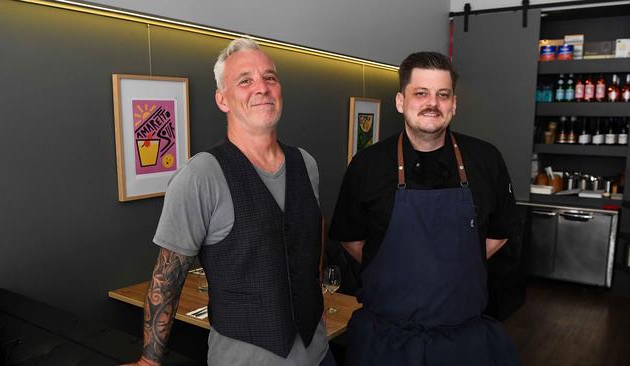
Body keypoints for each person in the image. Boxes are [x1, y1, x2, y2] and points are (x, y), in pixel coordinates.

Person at [126, 37, 336, 366]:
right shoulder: (201, 176)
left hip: (320, 356)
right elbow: (166, 278)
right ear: (222, 99)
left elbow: (312, 236)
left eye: (270, 78)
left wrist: (316, 302)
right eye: (245, 80)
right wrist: (150, 361)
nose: (262, 88)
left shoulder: (306, 164)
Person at [329, 51, 521, 365]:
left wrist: (449, 266)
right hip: (385, 342)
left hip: (464, 342)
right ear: (401, 101)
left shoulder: (486, 159)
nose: (433, 103)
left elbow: (499, 234)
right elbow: (351, 239)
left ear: (454, 104)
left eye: (442, 95)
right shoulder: (367, 165)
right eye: (421, 93)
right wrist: (401, 269)